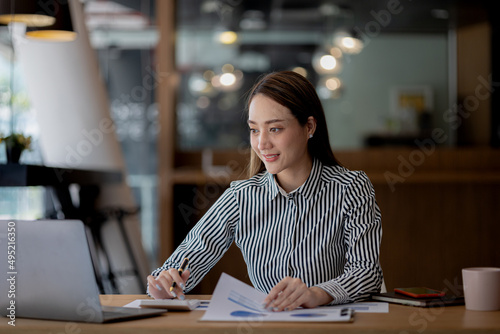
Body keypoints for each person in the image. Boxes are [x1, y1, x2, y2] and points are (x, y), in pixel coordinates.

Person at [147, 70, 383, 311]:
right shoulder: (241, 197)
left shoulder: (351, 188)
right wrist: (164, 283)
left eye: (275, 129)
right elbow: (186, 261)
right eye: (254, 130)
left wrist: (317, 294)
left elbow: (367, 273)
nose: (262, 144)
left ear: (309, 126)